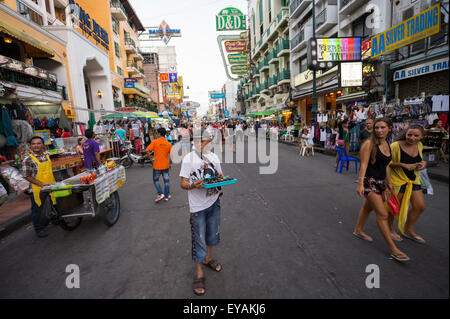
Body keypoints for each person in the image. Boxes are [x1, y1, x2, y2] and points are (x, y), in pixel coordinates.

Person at [353, 118, 410, 262]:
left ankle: (358, 230)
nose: (379, 130)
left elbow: (386, 165)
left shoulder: (387, 144)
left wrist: (388, 182)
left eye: (382, 127)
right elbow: (364, 165)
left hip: (380, 183)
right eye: (377, 128)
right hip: (368, 182)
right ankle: (393, 249)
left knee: (367, 209)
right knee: (383, 214)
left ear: (389, 128)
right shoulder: (368, 144)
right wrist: (360, 184)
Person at [179, 129, 224, 296]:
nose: (203, 144)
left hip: (214, 202)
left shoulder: (214, 157)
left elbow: (220, 176)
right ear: (195, 142)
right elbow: (183, 183)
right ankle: (199, 273)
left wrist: (223, 180)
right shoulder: (188, 159)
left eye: (206, 141)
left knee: (212, 235)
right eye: (200, 141)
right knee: (199, 240)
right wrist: (192, 185)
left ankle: (207, 259)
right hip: (197, 208)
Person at [388, 125, 427, 243]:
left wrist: (423, 163)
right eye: (409, 135)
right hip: (397, 180)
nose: (412, 138)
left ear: (422, 137)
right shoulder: (395, 146)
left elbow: (419, 159)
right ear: (405, 133)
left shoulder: (419, 145)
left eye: (416, 136)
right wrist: (403, 165)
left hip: (413, 180)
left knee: (420, 206)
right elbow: (386, 163)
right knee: (394, 208)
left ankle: (408, 230)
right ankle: (390, 229)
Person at [22, 136, 58, 238]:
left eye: (38, 143)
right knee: (37, 209)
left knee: (53, 202)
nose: (36, 146)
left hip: (50, 185)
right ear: (30, 146)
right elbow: (26, 176)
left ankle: (54, 219)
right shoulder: (28, 160)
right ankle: (39, 228)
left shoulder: (46, 155)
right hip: (37, 189)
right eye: (33, 144)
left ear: (43, 145)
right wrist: (41, 184)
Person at [147, 127, 172, 202]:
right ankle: (167, 196)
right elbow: (171, 156)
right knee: (166, 181)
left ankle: (160, 193)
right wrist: (170, 164)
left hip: (157, 165)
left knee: (156, 180)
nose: (157, 134)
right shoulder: (168, 144)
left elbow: (147, 150)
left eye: (157, 133)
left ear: (159, 134)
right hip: (165, 165)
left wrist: (151, 158)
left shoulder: (155, 142)